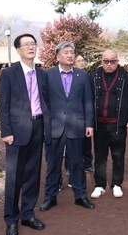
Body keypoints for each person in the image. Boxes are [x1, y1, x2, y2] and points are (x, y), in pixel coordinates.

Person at [0, 33, 51, 235]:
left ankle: (28, 214)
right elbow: (3, 105)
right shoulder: (9, 73)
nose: (30, 47)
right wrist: (6, 131)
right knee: (14, 178)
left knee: (32, 174)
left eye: (33, 44)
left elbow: (46, 102)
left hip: (38, 127)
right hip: (17, 132)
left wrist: (47, 126)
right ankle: (11, 219)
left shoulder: (43, 74)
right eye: (26, 44)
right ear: (18, 50)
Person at [39, 42, 95, 211]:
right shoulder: (47, 75)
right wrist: (46, 124)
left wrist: (89, 124)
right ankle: (50, 197)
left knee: (77, 163)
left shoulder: (82, 76)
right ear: (57, 57)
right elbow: (43, 102)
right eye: (66, 53)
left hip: (76, 126)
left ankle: (80, 196)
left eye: (72, 52)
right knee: (53, 164)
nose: (70, 55)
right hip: (54, 127)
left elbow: (88, 101)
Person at [90, 50, 128, 199]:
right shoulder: (93, 77)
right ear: (101, 61)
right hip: (99, 125)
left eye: (112, 61)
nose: (109, 64)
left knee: (118, 155)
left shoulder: (127, 78)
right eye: (106, 61)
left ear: (117, 61)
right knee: (100, 156)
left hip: (117, 125)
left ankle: (117, 184)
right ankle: (99, 185)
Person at [73, 55, 95, 174]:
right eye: (79, 61)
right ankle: (70, 167)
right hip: (73, 116)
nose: (81, 63)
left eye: (83, 60)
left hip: (85, 114)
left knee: (87, 142)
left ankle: (87, 164)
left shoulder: (88, 77)